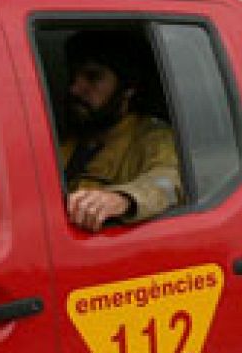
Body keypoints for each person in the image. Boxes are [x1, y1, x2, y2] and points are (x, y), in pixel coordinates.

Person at [59, 30, 181, 231]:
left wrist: (122, 199)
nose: (75, 88)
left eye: (92, 77)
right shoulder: (66, 136)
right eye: (74, 76)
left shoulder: (154, 138)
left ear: (128, 89)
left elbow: (169, 183)